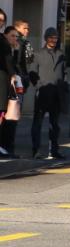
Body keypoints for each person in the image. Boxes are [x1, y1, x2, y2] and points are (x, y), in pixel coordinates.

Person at [29, 27, 66, 159]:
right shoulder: (38, 54)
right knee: (37, 123)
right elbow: (32, 73)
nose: (53, 40)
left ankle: (54, 150)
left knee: (55, 124)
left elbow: (63, 73)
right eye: (51, 37)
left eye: (55, 37)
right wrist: (39, 86)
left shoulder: (61, 54)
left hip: (56, 95)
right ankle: (36, 150)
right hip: (43, 93)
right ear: (46, 38)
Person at [0, 27, 22, 156]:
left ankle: (7, 147)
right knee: (5, 116)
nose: (15, 39)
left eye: (16, 36)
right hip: (5, 86)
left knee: (10, 118)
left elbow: (20, 65)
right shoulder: (4, 47)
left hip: (11, 87)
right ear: (6, 35)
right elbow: (11, 66)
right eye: (12, 36)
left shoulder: (15, 48)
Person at [0, 10, 14, 158]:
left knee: (1, 112)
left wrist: (12, 76)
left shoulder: (2, 39)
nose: (0, 22)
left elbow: (9, 61)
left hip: (2, 80)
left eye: (2, 20)